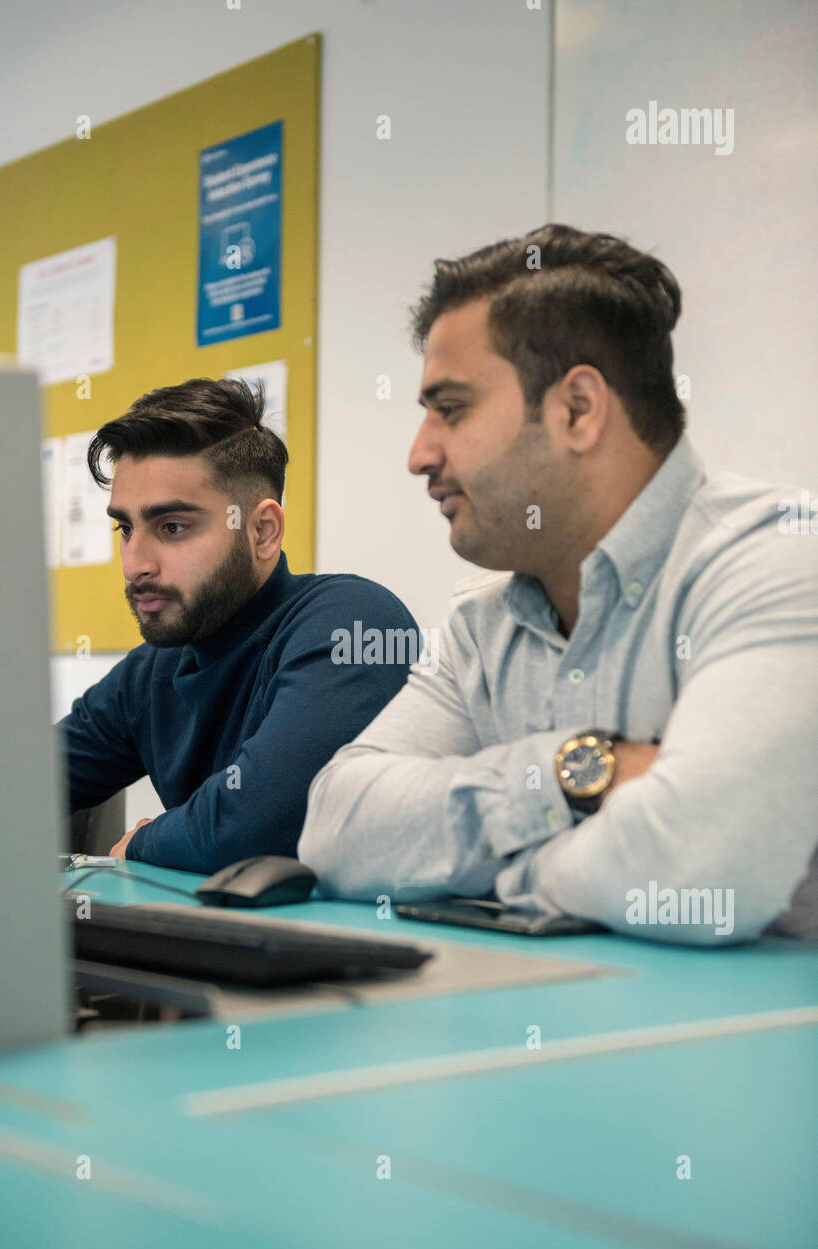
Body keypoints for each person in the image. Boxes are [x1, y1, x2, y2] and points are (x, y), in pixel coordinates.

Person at [298, 225, 818, 945]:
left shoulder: (780, 559)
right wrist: (582, 772)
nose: (419, 454)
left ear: (576, 408)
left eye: (450, 410)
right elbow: (336, 827)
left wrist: (516, 878)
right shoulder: (482, 623)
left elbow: (702, 869)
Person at [58, 376, 420, 874]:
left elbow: (256, 824)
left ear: (262, 530)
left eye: (172, 528)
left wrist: (144, 842)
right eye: (126, 528)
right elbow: (17, 786)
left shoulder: (353, 624)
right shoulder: (153, 671)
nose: (134, 564)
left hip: (366, 949)